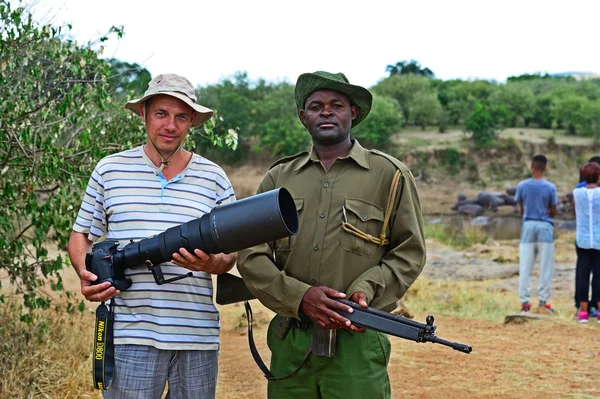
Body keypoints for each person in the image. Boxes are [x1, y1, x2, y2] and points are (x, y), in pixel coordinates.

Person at [237, 71, 426, 398]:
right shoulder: (278, 178)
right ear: (303, 117)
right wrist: (300, 298)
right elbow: (252, 255)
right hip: (291, 341)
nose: (326, 112)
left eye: (336, 105)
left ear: (352, 113)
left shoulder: (390, 176)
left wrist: (367, 289)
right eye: (315, 106)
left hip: (357, 342)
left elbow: (409, 251)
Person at [67, 73, 237, 398]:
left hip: (197, 335)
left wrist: (211, 262)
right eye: (161, 113)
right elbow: (80, 236)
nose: (170, 125)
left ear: (191, 123)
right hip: (131, 335)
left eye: (181, 117)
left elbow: (229, 257)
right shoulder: (109, 170)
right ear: (144, 114)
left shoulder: (214, 178)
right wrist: (85, 274)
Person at [515, 154, 558, 314]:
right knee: (545, 265)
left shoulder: (522, 185)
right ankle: (542, 302)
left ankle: (525, 303)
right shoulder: (550, 187)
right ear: (545, 168)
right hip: (545, 226)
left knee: (526, 265)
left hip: (528, 225)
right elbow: (553, 210)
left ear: (531, 166)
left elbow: (521, 208)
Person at [572, 162, 600, 323]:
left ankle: (583, 311)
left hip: (582, 238)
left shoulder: (576, 193)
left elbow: (576, 210)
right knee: (599, 274)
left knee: (582, 274)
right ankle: (598, 310)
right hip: (598, 239)